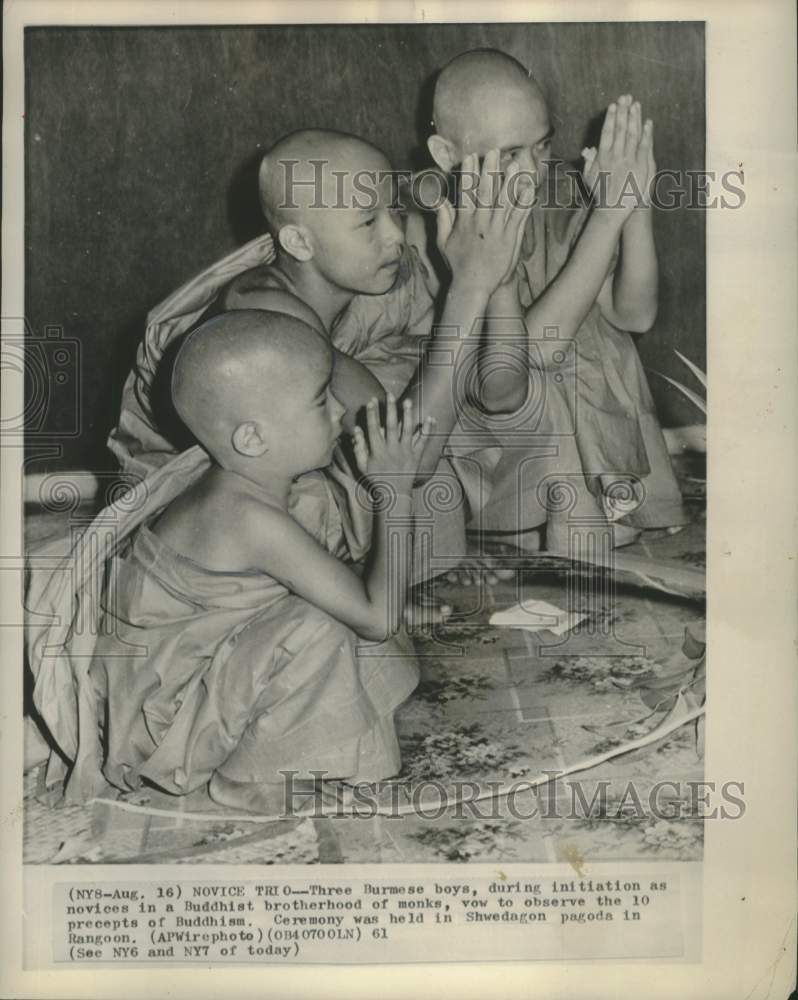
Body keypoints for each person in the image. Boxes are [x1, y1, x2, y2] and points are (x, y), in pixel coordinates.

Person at [28, 161, 533, 806]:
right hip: (159, 716)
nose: (338, 415)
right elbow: (375, 617)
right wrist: (394, 493)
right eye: (322, 403)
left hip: (175, 666)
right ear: (253, 440)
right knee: (328, 629)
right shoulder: (250, 511)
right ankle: (244, 780)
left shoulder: (245, 476)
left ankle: (267, 727)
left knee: (340, 616)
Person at [424, 48, 687, 538]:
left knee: (589, 319)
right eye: (510, 154)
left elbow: (634, 315)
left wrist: (634, 209)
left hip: (543, 407)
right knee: (567, 322)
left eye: (542, 147)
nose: (533, 169)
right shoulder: (444, 226)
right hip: (491, 422)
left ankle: (596, 493)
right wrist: (606, 218)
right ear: (446, 155)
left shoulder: (559, 195)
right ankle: (534, 513)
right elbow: (531, 353)